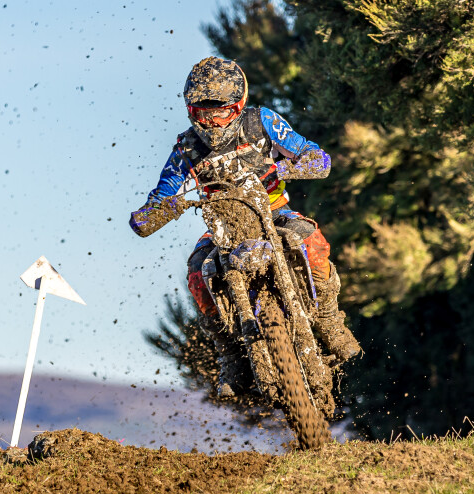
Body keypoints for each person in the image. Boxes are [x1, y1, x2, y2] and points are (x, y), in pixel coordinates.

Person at [129, 56, 360, 397]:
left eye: (221, 112)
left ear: (238, 106)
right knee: (198, 271)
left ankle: (328, 320)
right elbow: (160, 196)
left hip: (274, 212)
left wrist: (289, 167)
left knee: (313, 242)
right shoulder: (186, 149)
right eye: (203, 114)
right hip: (222, 227)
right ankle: (230, 353)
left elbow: (315, 155)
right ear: (191, 112)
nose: (213, 122)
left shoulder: (261, 122)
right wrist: (155, 212)